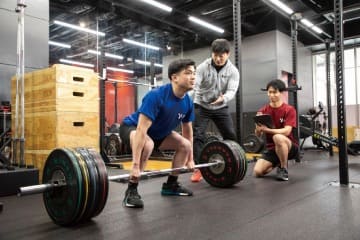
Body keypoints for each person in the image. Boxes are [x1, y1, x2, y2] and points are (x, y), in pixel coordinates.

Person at [119, 59, 196, 208]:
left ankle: (171, 185)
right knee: (148, 144)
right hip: (132, 128)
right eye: (188, 73)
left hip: (158, 133)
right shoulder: (156, 96)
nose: (193, 77)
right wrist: (135, 166)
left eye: (194, 73)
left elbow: (188, 131)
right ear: (174, 78)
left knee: (185, 146)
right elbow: (141, 130)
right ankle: (131, 189)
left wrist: (190, 159)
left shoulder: (188, 102)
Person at [190, 38, 240, 182]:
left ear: (228, 54)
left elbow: (232, 90)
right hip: (201, 105)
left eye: (221, 56)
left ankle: (233, 161)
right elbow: (194, 87)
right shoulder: (202, 68)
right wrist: (184, 99)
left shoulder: (233, 71)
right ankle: (199, 168)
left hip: (220, 106)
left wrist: (223, 99)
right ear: (212, 53)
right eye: (215, 55)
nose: (218, 59)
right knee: (198, 136)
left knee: (230, 134)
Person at [253, 79, 298, 181]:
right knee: (257, 172)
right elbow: (258, 135)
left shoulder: (289, 109)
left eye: (275, 92)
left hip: (289, 146)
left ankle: (283, 168)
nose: (272, 95)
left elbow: (287, 131)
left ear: (281, 93)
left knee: (277, 137)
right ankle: (278, 161)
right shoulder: (262, 111)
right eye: (269, 92)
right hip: (272, 148)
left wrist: (267, 130)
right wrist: (258, 127)